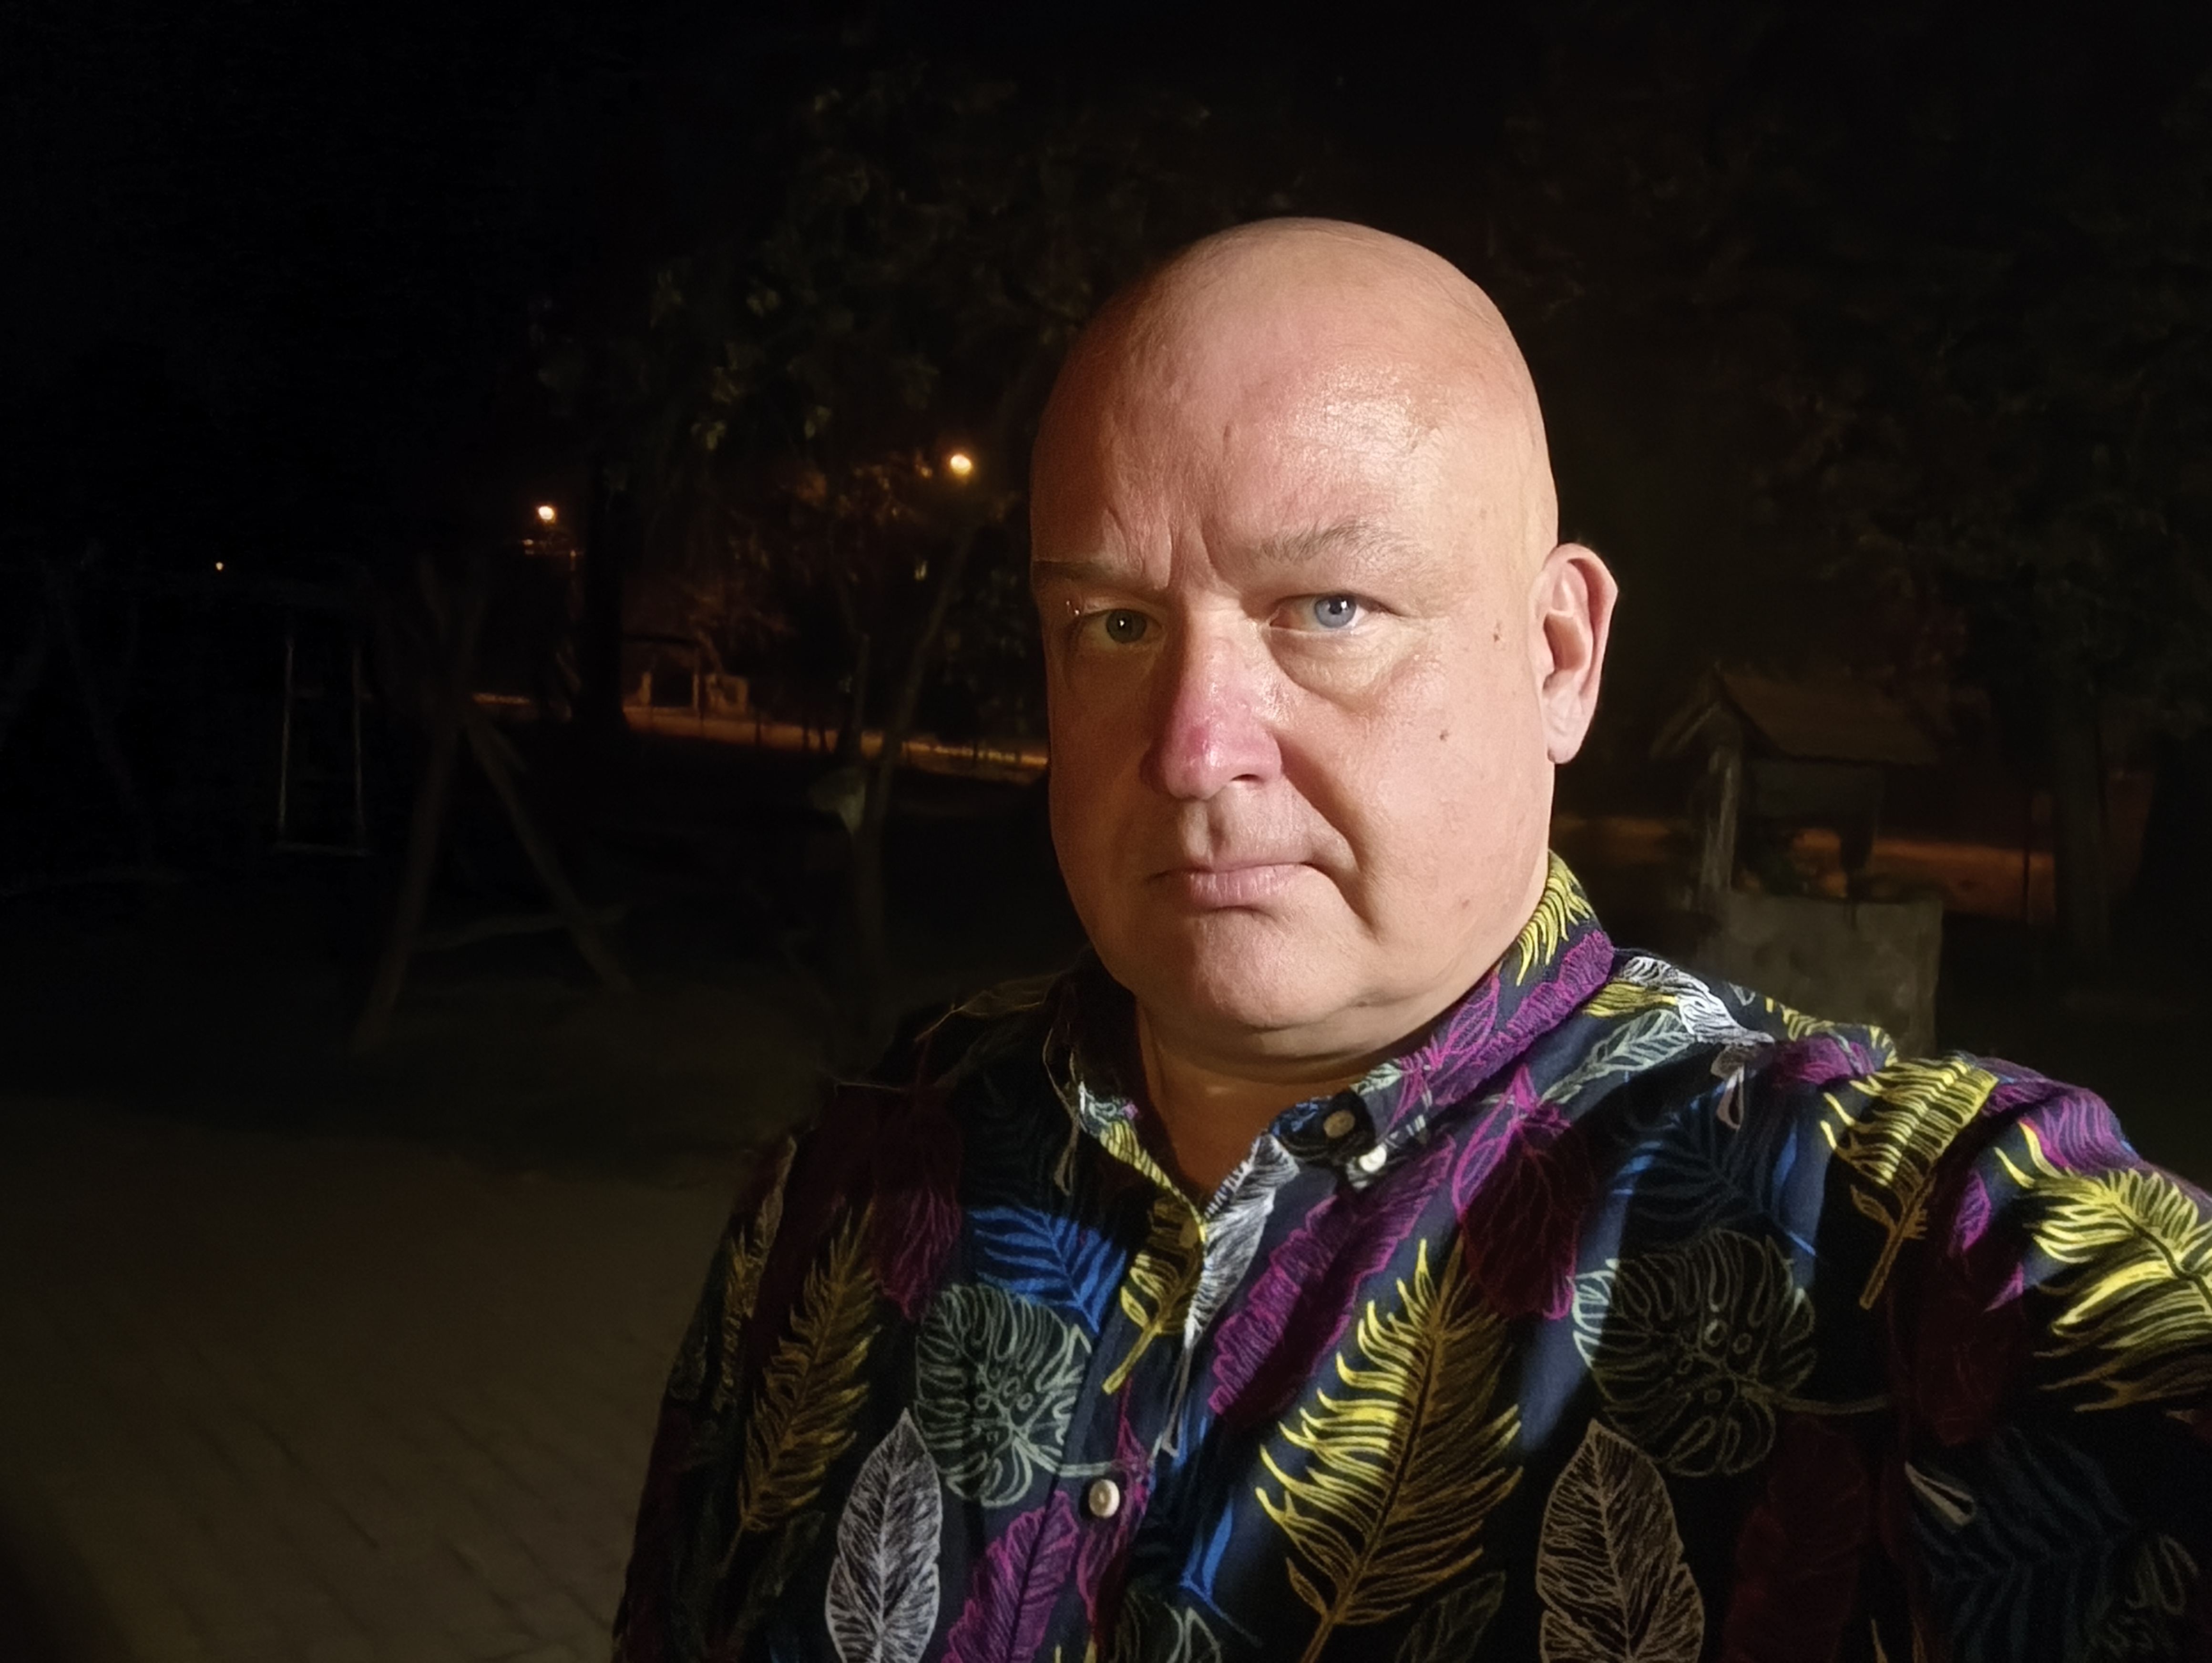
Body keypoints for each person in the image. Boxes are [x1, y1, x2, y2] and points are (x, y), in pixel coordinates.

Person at [612, 220, 2212, 1663]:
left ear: (1560, 656)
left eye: (1329, 610)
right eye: (1116, 625)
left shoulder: (1859, 1231)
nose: (1192, 748)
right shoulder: (853, 1179)